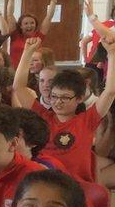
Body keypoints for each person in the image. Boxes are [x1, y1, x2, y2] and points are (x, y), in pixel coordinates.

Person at [14, 36, 115, 183]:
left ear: (79, 98)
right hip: (45, 181)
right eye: (54, 96)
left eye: (65, 98)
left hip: (76, 186)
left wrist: (111, 53)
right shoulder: (42, 116)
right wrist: (27, 52)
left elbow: (110, 91)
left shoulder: (87, 119)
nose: (58, 102)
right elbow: (19, 87)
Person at [3, 0, 59, 65]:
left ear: (35, 25)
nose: (29, 25)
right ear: (21, 26)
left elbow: (49, 16)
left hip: (33, 70)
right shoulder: (15, 35)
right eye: (26, 23)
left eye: (32, 23)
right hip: (15, 71)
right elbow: (9, 14)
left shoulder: (39, 36)